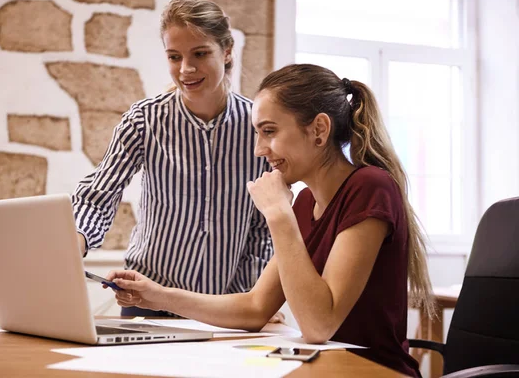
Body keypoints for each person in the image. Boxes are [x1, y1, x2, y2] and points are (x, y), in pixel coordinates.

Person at [105, 64, 435, 377]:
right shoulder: (306, 202)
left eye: (270, 132)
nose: (259, 149)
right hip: (327, 370)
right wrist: (155, 294)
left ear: (319, 130)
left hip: (372, 372)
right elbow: (255, 306)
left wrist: (277, 214)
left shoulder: (370, 187)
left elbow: (319, 326)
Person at [71, 0, 273, 317]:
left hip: (225, 309)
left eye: (200, 53)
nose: (186, 69)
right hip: (147, 301)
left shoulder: (258, 128)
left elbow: (263, 227)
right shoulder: (144, 120)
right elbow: (98, 194)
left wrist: (255, 294)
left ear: (228, 50)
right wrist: (76, 241)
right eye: (174, 56)